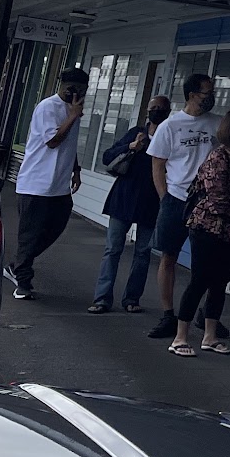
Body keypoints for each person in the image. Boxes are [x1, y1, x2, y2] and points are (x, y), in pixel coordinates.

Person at [171, 108, 230, 357]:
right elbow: (216, 196)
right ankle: (180, 337)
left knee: (220, 284)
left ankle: (210, 336)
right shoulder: (218, 157)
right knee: (199, 280)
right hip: (208, 227)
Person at [146, 73, 218, 339]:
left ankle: (205, 314)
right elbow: (157, 164)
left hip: (208, 200)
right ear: (191, 95)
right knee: (169, 256)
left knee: (208, 261)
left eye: (212, 92)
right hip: (177, 198)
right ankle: (168, 314)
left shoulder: (216, 125)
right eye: (206, 93)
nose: (211, 97)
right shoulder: (170, 125)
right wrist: (165, 197)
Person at [10, 68, 88, 300]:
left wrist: (76, 170)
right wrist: (73, 116)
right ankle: (22, 282)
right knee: (30, 234)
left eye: (79, 90)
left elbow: (69, 145)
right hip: (35, 184)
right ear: (60, 85)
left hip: (59, 185)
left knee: (55, 228)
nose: (73, 93)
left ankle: (18, 265)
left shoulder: (72, 110)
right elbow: (53, 141)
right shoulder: (48, 107)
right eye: (69, 88)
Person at [92, 94, 169, 313]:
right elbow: (108, 157)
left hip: (152, 201)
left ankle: (132, 299)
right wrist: (132, 147)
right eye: (153, 108)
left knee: (143, 253)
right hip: (124, 197)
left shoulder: (169, 137)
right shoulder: (137, 133)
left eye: (161, 109)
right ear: (147, 111)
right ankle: (102, 298)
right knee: (112, 249)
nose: (157, 112)